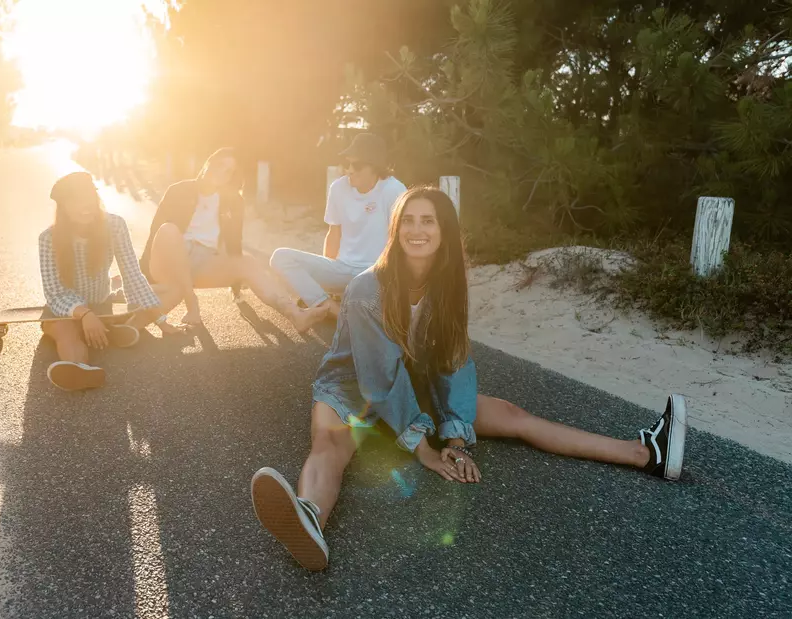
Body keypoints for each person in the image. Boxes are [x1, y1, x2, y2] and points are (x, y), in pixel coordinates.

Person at [250, 186, 688, 571]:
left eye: (428, 221)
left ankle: (644, 453)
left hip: (417, 386)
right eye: (408, 220)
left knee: (513, 416)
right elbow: (378, 379)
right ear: (395, 228)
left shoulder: (448, 285)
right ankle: (311, 519)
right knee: (330, 443)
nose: (416, 230)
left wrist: (455, 436)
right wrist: (424, 448)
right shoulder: (368, 288)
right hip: (352, 385)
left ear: (444, 231)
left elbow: (453, 360)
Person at [139, 147, 326, 331]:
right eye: (220, 165)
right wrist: (142, 277)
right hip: (168, 261)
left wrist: (237, 279)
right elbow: (155, 234)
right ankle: (192, 304)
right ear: (208, 163)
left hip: (202, 264)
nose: (223, 172)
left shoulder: (233, 201)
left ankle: (294, 313)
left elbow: (233, 247)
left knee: (248, 261)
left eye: (229, 171)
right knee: (169, 230)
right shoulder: (179, 190)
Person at [39, 171, 181, 391]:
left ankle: (110, 328)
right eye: (76, 201)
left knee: (166, 292)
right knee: (66, 331)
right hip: (66, 310)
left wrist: (161, 320)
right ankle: (80, 370)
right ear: (64, 207)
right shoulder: (48, 238)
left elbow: (132, 273)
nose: (86, 205)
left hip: (103, 305)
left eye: (89, 198)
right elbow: (54, 292)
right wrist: (84, 314)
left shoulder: (114, 225)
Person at [269, 133, 406, 319]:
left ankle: (328, 306)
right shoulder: (338, 188)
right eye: (347, 163)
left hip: (376, 274)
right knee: (280, 257)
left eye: (356, 165)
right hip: (343, 270)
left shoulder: (393, 190)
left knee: (371, 295)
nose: (349, 170)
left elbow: (401, 240)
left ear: (375, 167)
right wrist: (328, 272)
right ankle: (334, 309)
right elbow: (334, 234)